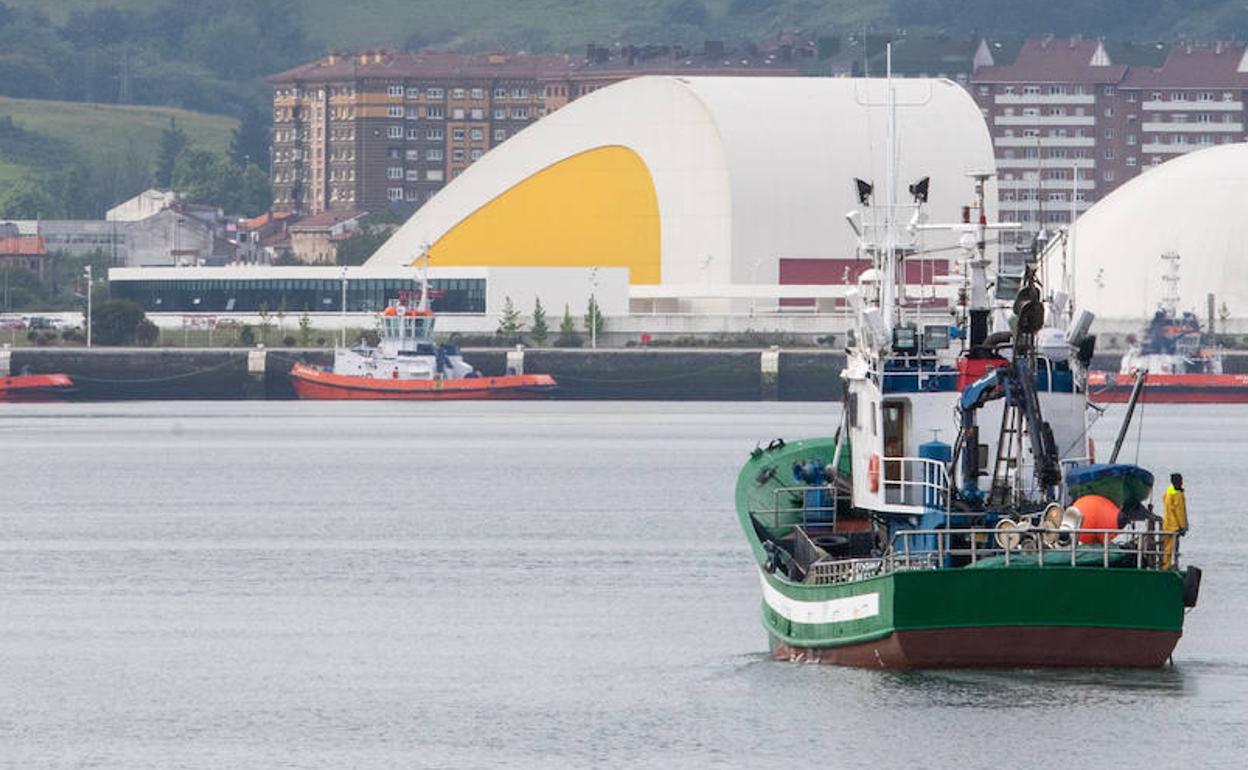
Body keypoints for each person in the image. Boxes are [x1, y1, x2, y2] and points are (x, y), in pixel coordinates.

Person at [1162, 473, 1188, 569]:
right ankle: (1169, 566)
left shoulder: (1169, 491)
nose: (1181, 483)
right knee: (1172, 548)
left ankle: (1165, 564)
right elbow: (1179, 511)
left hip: (1167, 524)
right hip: (1174, 526)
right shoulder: (1177, 494)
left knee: (1166, 547)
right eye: (1180, 481)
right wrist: (1183, 526)